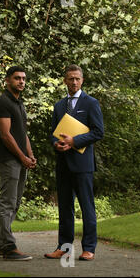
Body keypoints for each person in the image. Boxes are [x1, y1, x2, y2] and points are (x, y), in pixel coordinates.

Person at [45, 64, 104, 261]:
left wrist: (74, 141)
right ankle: (64, 247)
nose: (74, 82)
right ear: (65, 81)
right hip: (63, 164)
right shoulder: (59, 105)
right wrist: (57, 144)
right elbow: (53, 133)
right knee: (64, 208)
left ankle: (89, 248)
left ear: (82, 80)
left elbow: (98, 132)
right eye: (70, 78)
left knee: (87, 207)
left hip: (83, 165)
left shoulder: (91, 103)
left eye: (77, 78)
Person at [0, 66, 36, 261]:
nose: (21, 82)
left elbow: (22, 134)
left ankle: (2, 244)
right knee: (8, 202)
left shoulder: (19, 103)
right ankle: (9, 247)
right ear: (7, 80)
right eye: (17, 78)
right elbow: (6, 136)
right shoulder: (3, 102)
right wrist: (22, 157)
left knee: (15, 202)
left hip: (20, 159)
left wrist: (30, 155)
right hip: (9, 159)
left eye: (24, 79)